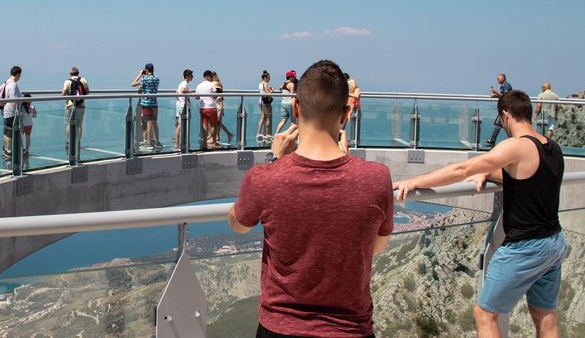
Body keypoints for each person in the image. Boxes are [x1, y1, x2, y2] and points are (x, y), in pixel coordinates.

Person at [229, 60, 393, 337]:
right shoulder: (376, 179)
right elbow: (375, 246)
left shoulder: (265, 177)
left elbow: (238, 224)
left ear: (295, 109)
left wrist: (273, 159)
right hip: (350, 330)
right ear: (347, 114)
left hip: (279, 328)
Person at [393, 90, 566, 337]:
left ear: (505, 115)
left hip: (525, 246)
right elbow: (529, 178)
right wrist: (491, 173)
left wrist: (416, 181)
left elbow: (463, 168)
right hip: (553, 242)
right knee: (545, 317)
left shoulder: (516, 146)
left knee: (485, 314)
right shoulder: (553, 148)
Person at [132, 63, 161, 152]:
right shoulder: (157, 79)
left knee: (148, 123)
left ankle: (148, 142)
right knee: (154, 122)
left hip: (146, 103)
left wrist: (140, 74)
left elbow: (133, 84)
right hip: (154, 103)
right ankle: (157, 141)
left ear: (147, 70)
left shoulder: (145, 79)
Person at [62, 66, 89, 152]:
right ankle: (78, 142)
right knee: (79, 125)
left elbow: (63, 94)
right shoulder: (83, 80)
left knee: (69, 124)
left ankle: (68, 142)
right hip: (81, 105)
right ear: (78, 73)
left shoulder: (67, 81)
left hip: (69, 105)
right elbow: (87, 92)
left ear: (70, 73)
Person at [485, 73, 513, 146]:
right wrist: (495, 95)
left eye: (498, 78)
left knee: (499, 124)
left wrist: (496, 92)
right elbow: (501, 96)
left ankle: (493, 140)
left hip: (506, 108)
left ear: (503, 78)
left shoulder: (507, 85)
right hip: (504, 108)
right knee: (501, 125)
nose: (497, 79)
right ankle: (493, 140)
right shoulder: (502, 86)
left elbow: (505, 97)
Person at [1, 66, 22, 163]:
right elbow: (14, 100)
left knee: (6, 131)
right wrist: (17, 111)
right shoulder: (13, 84)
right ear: (17, 74)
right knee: (10, 132)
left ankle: (5, 150)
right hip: (11, 111)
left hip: (6, 110)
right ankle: (9, 151)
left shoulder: (6, 82)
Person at [195, 70, 218, 149]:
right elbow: (215, 96)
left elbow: (197, 97)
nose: (212, 78)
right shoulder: (212, 85)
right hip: (211, 107)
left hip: (203, 108)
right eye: (211, 76)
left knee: (204, 125)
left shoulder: (199, 85)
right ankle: (214, 142)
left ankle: (204, 142)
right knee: (213, 125)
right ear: (207, 76)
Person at [274, 70, 298, 135]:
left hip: (283, 103)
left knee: (283, 120)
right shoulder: (291, 84)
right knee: (293, 121)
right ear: (290, 77)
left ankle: (276, 133)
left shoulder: (283, 84)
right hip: (290, 104)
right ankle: (291, 135)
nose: (294, 78)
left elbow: (280, 88)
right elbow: (292, 95)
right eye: (293, 77)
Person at [212, 71, 233, 145]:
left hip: (218, 105)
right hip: (217, 105)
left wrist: (221, 107)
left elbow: (220, 96)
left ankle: (218, 136)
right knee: (218, 122)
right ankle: (227, 134)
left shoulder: (215, 83)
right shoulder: (218, 83)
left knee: (217, 122)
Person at [174, 69, 193, 150]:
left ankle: (177, 143)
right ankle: (177, 143)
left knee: (179, 125)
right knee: (181, 125)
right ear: (187, 76)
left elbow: (176, 93)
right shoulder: (184, 84)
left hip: (180, 105)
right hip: (183, 106)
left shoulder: (182, 83)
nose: (192, 77)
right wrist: (190, 92)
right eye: (191, 76)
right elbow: (182, 90)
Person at [256, 70, 274, 143]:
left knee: (262, 117)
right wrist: (271, 90)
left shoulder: (260, 83)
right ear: (265, 78)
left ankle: (259, 133)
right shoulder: (265, 83)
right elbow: (268, 94)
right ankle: (267, 135)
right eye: (269, 78)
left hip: (260, 100)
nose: (269, 79)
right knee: (268, 118)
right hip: (266, 102)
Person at [20, 93, 36, 167]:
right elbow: (35, 116)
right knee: (28, 137)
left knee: (21, 137)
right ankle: (26, 150)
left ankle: (22, 149)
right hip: (29, 124)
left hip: (23, 123)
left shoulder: (21, 107)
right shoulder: (32, 107)